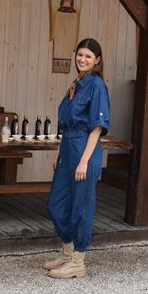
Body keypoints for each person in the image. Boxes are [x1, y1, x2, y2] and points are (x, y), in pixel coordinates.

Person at [44, 38, 110, 279]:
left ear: (97, 60)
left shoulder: (97, 85)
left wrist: (84, 161)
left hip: (85, 149)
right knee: (56, 204)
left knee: (81, 206)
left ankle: (77, 261)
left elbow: (97, 127)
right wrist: (59, 154)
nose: (82, 59)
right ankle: (67, 250)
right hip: (67, 150)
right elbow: (66, 125)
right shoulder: (76, 83)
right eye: (80, 55)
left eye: (88, 56)